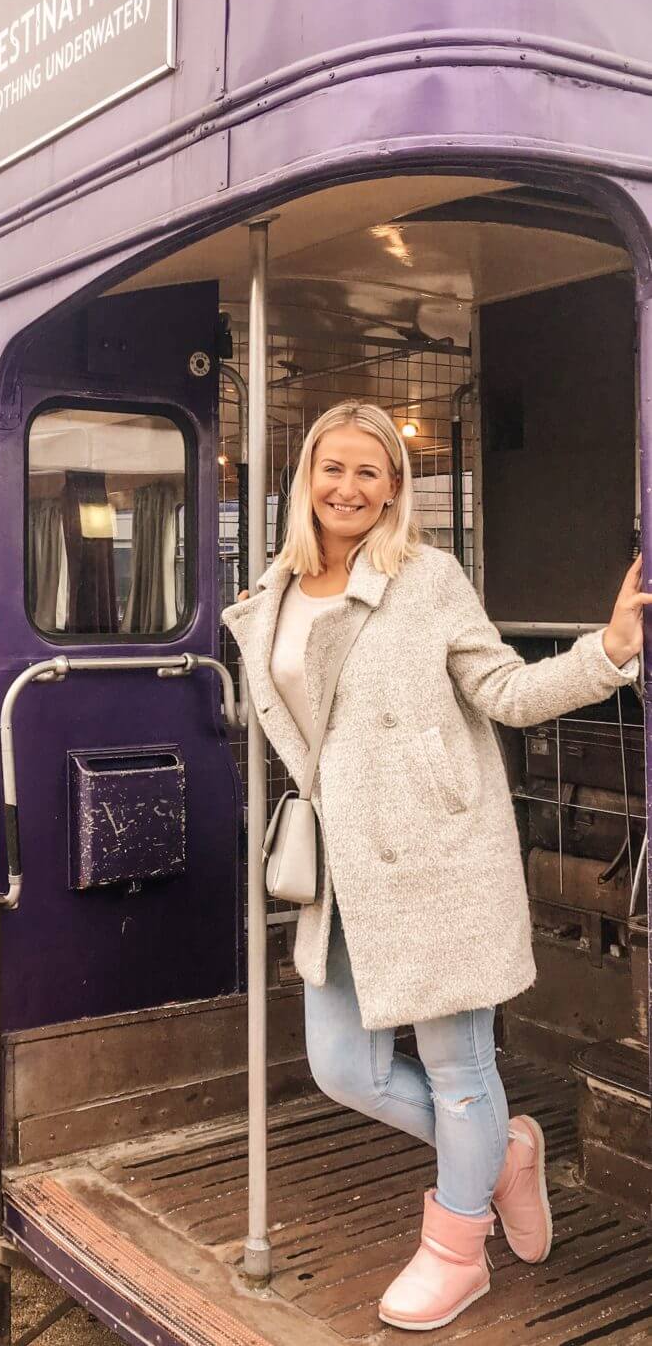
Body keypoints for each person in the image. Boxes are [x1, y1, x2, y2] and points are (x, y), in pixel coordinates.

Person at [222, 400, 647, 1331]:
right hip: (343, 872)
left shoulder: (427, 577)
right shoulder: (275, 590)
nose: (350, 487)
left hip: (438, 857)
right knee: (345, 1068)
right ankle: (503, 1155)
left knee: (460, 1067)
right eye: (333, 468)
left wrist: (607, 653)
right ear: (306, 479)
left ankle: (458, 1247)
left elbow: (503, 688)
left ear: (396, 487)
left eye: (371, 471)